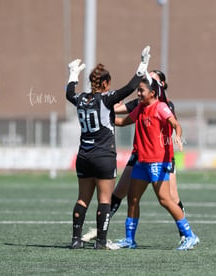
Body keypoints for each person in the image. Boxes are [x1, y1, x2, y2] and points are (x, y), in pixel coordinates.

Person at [81, 70, 187, 244]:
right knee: (123, 194)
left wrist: (177, 136)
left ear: (158, 86)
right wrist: (101, 108)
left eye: (151, 77)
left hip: (162, 157)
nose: (146, 79)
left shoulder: (164, 105)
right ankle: (102, 229)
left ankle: (185, 234)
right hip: (139, 155)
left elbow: (174, 123)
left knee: (171, 198)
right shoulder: (140, 102)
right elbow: (116, 113)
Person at [66, 45, 151, 250]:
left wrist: (72, 74)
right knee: (104, 200)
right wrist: (143, 64)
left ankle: (76, 240)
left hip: (84, 156)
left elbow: (69, 93)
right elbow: (131, 87)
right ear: (105, 83)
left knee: (82, 199)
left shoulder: (80, 100)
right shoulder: (106, 98)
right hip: (104, 156)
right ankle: (101, 242)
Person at [115, 76, 199, 250]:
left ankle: (190, 236)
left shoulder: (160, 107)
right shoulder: (140, 108)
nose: (138, 93)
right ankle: (129, 239)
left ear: (152, 93)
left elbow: (175, 124)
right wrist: (104, 118)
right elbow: (122, 122)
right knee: (133, 199)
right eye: (138, 90)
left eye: (141, 91)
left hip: (158, 161)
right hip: (142, 162)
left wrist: (177, 136)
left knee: (165, 200)